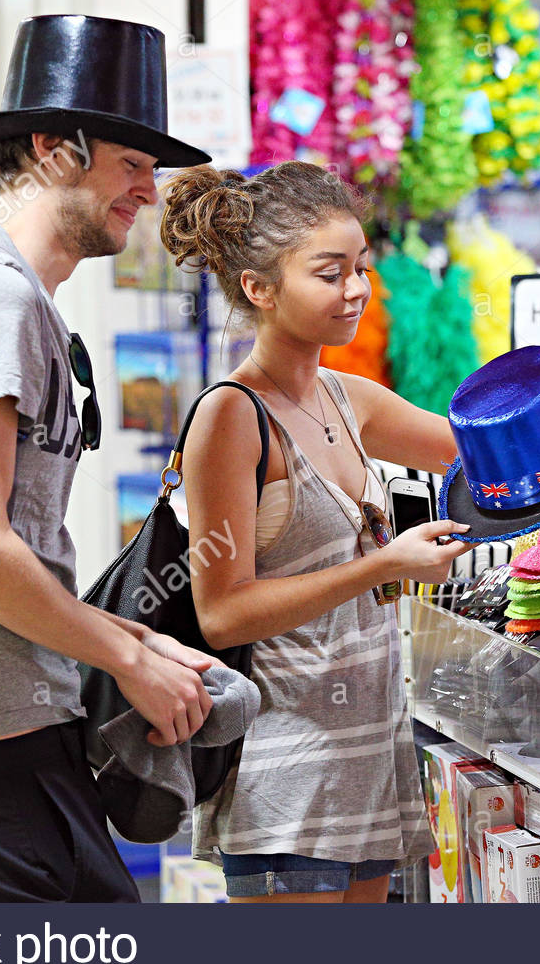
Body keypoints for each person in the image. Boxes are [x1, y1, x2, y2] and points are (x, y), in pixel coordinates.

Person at [0, 15, 215, 903]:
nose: (148, 189)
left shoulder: (17, 301)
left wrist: (130, 642)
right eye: (131, 163)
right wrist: (128, 660)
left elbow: (6, 546)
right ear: (57, 151)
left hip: (15, 736)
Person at [159, 162, 476, 903]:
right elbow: (223, 609)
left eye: (360, 268)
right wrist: (380, 567)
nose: (357, 289)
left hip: (367, 763)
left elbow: (477, 450)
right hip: (286, 776)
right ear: (258, 289)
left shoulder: (346, 396)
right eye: (330, 273)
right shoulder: (232, 418)